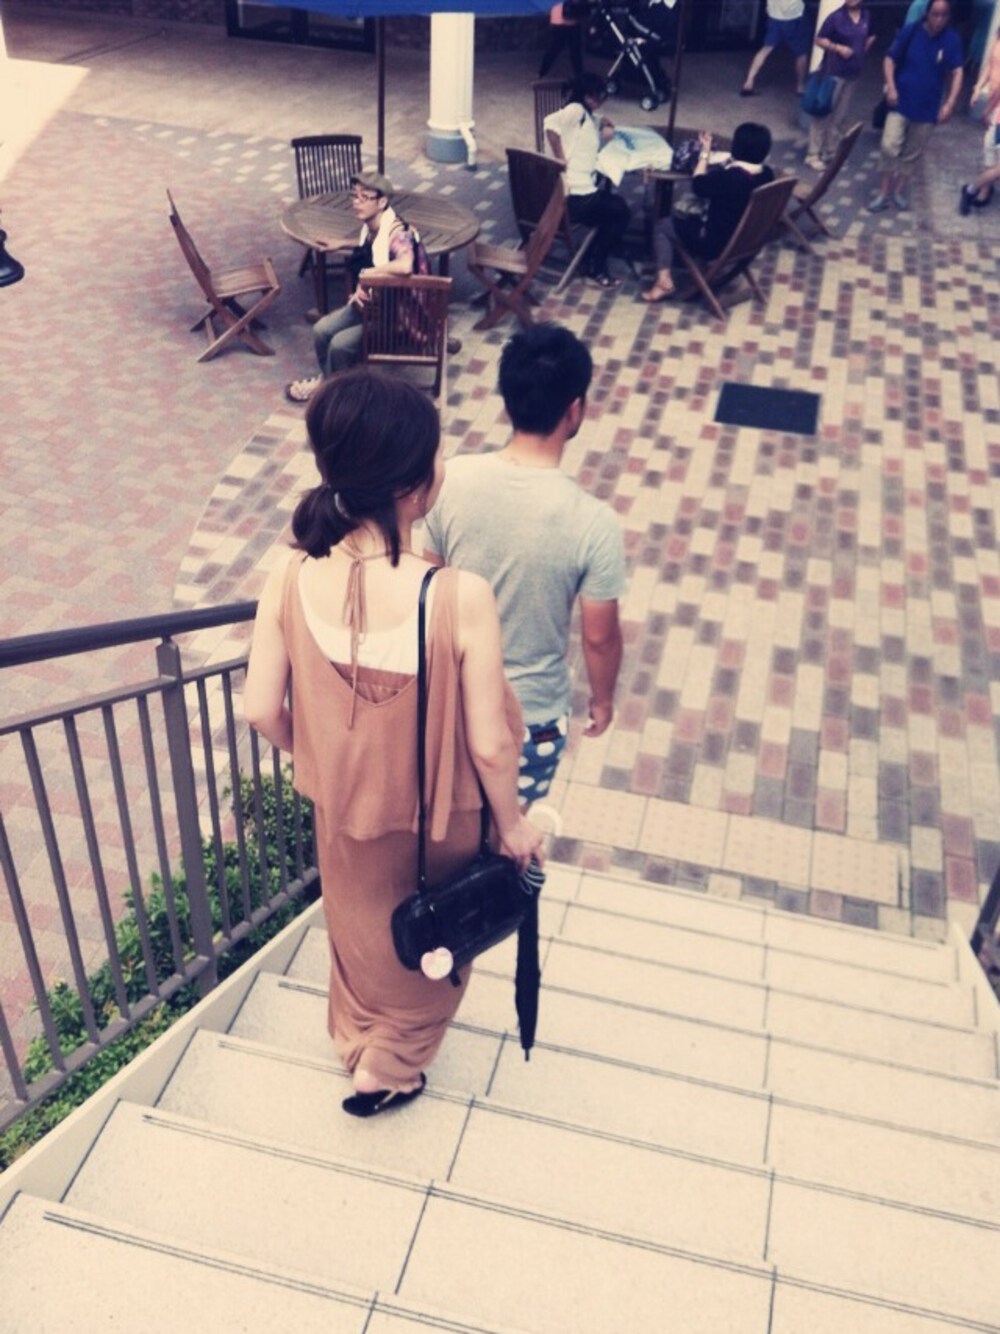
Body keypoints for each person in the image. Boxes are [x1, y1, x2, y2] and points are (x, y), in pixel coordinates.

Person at [245, 367, 543, 1117]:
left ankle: (359, 1037)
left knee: (360, 929)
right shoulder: (457, 596)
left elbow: (260, 708)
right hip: (438, 823)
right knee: (432, 933)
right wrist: (514, 828)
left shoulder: (289, 573)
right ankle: (389, 1065)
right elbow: (490, 744)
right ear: (414, 484)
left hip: (342, 812)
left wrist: (319, 758)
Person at [423, 323, 625, 806]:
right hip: (532, 716)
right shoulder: (594, 522)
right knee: (510, 827)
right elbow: (599, 637)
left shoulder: (451, 481)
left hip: (451, 700)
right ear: (575, 409)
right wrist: (602, 700)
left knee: (451, 822)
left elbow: (428, 585)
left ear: (508, 400)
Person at [284, 171, 425, 404]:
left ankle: (336, 394)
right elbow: (372, 248)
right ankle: (330, 384)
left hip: (396, 316)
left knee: (340, 345)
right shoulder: (372, 227)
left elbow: (405, 264)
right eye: (354, 196)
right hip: (371, 304)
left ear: (382, 202)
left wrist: (367, 275)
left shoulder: (398, 233)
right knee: (321, 330)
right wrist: (343, 243)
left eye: (364, 197)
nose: (356, 202)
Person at [642, 121, 774, 304]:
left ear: (736, 148)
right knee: (687, 216)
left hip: (714, 244)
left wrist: (704, 153)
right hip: (747, 240)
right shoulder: (767, 174)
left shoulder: (731, 178)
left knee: (663, 225)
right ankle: (699, 270)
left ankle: (663, 281)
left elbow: (699, 185)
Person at [869, 0, 963, 212]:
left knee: (912, 152)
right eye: (935, 14)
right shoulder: (911, 32)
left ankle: (898, 191)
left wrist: (949, 104)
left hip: (927, 108)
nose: (939, 20)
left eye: (944, 15)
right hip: (900, 102)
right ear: (926, 13)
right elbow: (889, 59)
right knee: (889, 146)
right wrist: (891, 87)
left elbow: (957, 71)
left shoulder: (951, 39)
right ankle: (883, 192)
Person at [543, 72, 632, 289]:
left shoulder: (585, 115)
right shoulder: (575, 110)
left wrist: (603, 125)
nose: (602, 100)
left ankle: (589, 258)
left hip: (575, 193)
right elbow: (550, 124)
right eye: (599, 96)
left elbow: (588, 130)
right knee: (620, 211)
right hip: (574, 198)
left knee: (613, 208)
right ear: (587, 96)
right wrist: (560, 159)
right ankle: (596, 265)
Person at [805, 0, 876, 172]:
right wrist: (837, 48)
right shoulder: (836, 17)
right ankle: (813, 153)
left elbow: (871, 35)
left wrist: (862, 51)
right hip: (833, 72)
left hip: (852, 73)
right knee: (823, 112)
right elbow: (819, 39)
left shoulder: (865, 16)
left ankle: (830, 150)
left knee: (840, 115)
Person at [959, 25, 1000, 213]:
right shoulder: (997, 38)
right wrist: (978, 88)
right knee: (992, 156)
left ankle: (978, 189)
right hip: (995, 106)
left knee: (992, 155)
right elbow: (990, 68)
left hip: (996, 107)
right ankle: (975, 189)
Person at [741, 0, 812, 98]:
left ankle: (749, 82)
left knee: (766, 49)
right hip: (794, 16)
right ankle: (800, 86)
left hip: (774, 16)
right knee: (801, 53)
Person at [538, 1, 584, 79]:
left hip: (568, 18)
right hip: (564, 19)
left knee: (565, 48)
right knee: (565, 48)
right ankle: (543, 71)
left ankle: (542, 72)